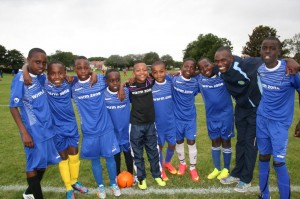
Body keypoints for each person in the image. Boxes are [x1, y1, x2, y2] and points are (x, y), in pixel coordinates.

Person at [214, 46, 300, 193]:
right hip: (241, 109)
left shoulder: (246, 64)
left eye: (224, 60)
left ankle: (246, 179)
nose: (220, 63)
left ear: (231, 58)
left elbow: (269, 59)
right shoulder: (219, 69)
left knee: (250, 143)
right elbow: (205, 68)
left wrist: (288, 60)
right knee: (241, 141)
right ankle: (236, 173)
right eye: (217, 61)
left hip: (257, 110)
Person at [22, 60, 89, 199]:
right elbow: (28, 67)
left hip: (71, 125)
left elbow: (85, 75)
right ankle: (68, 188)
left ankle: (75, 181)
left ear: (65, 73)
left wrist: (93, 73)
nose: (56, 76)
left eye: (60, 73)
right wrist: (24, 71)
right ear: (47, 74)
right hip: (55, 128)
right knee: (63, 158)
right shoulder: (43, 82)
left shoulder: (70, 82)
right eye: (52, 73)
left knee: (74, 154)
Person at [9, 48, 61, 199]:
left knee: (43, 162)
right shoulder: (20, 79)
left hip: (47, 127)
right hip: (32, 130)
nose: (41, 66)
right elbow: (13, 107)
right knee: (33, 163)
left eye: (44, 63)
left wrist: (26, 69)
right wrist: (24, 132)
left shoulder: (40, 77)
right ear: (28, 60)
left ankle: (28, 192)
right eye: (37, 62)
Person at [257, 36, 300, 199]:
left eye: (272, 48)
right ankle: (264, 195)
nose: (267, 51)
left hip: (280, 123)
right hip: (262, 119)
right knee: (263, 157)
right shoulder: (260, 69)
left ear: (279, 51)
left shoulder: (290, 70)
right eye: (264, 47)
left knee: (279, 162)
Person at [72, 56, 121, 199]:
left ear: (90, 68)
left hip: (106, 128)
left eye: (86, 67)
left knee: (110, 157)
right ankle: (100, 186)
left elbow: (115, 81)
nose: (82, 70)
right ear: (75, 69)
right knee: (95, 160)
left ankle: (113, 183)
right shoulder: (72, 86)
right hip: (89, 131)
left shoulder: (99, 80)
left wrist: (122, 87)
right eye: (79, 68)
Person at [122, 61, 166, 190]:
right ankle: (141, 178)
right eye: (138, 70)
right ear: (133, 73)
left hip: (150, 124)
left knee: (153, 151)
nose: (142, 72)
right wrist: (122, 85)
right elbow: (120, 88)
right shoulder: (129, 86)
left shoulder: (150, 82)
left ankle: (157, 175)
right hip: (135, 125)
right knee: (137, 153)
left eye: (144, 70)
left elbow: (163, 76)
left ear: (148, 72)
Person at [197, 58, 234, 180]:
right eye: (201, 68)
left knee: (226, 141)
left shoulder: (223, 75)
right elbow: (186, 75)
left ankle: (226, 169)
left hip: (226, 115)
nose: (205, 69)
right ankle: (217, 168)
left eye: (206, 65)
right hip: (211, 116)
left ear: (212, 64)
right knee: (215, 141)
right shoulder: (199, 79)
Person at [168, 58, 200, 182]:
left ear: (194, 70)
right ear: (182, 67)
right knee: (179, 141)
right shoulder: (174, 80)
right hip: (177, 118)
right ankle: (182, 164)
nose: (189, 69)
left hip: (190, 118)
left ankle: (192, 168)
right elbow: (158, 76)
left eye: (192, 67)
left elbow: (204, 71)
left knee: (191, 142)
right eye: (186, 66)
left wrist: (196, 73)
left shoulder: (195, 83)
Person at [104, 68, 134, 176]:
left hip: (126, 131)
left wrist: (124, 84)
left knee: (128, 154)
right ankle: (117, 176)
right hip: (112, 132)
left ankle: (131, 174)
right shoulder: (103, 94)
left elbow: (139, 80)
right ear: (106, 81)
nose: (115, 83)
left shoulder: (126, 91)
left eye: (118, 80)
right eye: (112, 80)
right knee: (116, 155)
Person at [151, 61, 177, 181]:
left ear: (165, 71)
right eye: (155, 72)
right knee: (159, 146)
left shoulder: (170, 83)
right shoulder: (150, 85)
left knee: (172, 144)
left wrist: (177, 73)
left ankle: (167, 162)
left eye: (161, 72)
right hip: (157, 124)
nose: (159, 75)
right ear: (152, 74)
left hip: (171, 122)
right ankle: (161, 167)